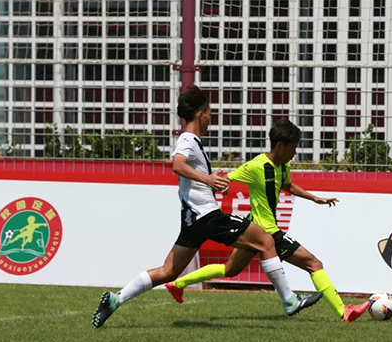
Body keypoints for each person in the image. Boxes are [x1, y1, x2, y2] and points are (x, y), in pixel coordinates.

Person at [92, 87, 323, 328]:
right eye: (210, 113)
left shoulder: (192, 141)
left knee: (169, 271)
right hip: (206, 215)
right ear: (201, 114)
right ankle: (289, 301)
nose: (211, 118)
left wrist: (212, 181)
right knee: (265, 240)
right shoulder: (188, 140)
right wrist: (208, 180)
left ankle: (116, 299)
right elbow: (177, 165)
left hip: (192, 220)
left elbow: (189, 173)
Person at [164, 118, 371, 323]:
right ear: (280, 145)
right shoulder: (256, 166)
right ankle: (343, 312)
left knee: (230, 269)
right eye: (293, 147)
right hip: (267, 231)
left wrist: (314, 198)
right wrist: (222, 185)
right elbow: (225, 179)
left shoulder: (283, 165)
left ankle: (178, 284)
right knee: (313, 263)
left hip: (254, 231)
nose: (295, 152)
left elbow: (287, 185)